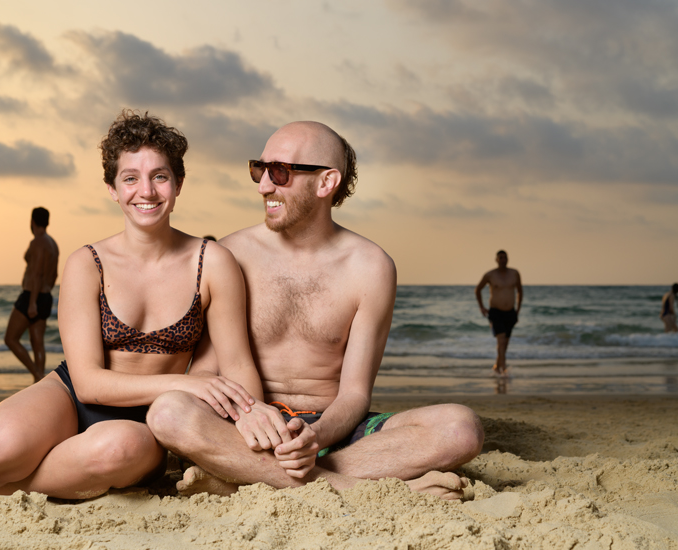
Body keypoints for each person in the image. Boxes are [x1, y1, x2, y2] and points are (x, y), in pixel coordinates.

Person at [0, 110, 268, 499]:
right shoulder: (88, 263)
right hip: (73, 396)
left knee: (117, 450)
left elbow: (237, 363)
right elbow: (87, 383)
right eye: (130, 178)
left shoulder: (212, 261)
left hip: (147, 423)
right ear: (112, 189)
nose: (146, 191)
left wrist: (253, 417)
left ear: (178, 183)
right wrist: (185, 384)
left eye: (160, 176)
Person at [147, 121, 484, 501]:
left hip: (332, 434)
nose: (263, 186)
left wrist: (315, 437)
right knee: (168, 412)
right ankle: (346, 487)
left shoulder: (371, 267)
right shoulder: (230, 255)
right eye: (259, 169)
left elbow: (355, 395)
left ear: (326, 183)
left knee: (461, 429)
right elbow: (208, 372)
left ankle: (247, 477)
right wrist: (249, 416)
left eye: (279, 172)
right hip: (244, 426)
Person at [4, 207, 60, 383]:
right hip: (46, 296)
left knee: (10, 339)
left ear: (32, 221)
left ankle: (38, 376)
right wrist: (43, 295)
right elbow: (53, 275)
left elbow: (36, 274)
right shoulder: (53, 244)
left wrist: (32, 302)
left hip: (31, 297)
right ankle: (39, 385)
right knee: (37, 343)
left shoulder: (37, 243)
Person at [475, 250, 523, 377]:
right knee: (501, 341)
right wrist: (482, 307)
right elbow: (478, 289)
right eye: (500, 258)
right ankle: (503, 371)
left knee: (505, 344)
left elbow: (520, 291)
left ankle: (496, 367)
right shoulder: (490, 275)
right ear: (496, 260)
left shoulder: (514, 273)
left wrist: (518, 311)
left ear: (508, 259)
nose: (503, 260)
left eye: (505, 257)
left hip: (510, 313)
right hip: (495, 312)